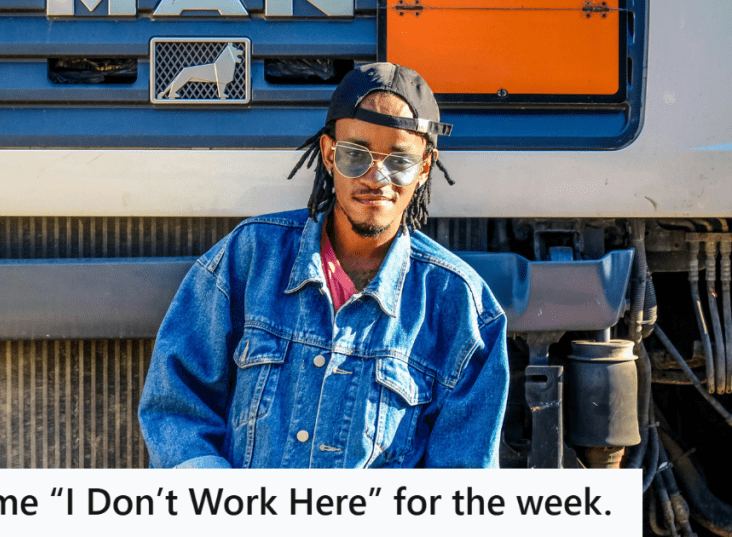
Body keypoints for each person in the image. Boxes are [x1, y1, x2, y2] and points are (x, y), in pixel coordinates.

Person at [138, 63, 509, 468]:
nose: (376, 177)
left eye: (399, 161)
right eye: (356, 155)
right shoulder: (249, 259)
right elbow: (175, 407)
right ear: (330, 154)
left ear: (424, 168)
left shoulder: (462, 311)